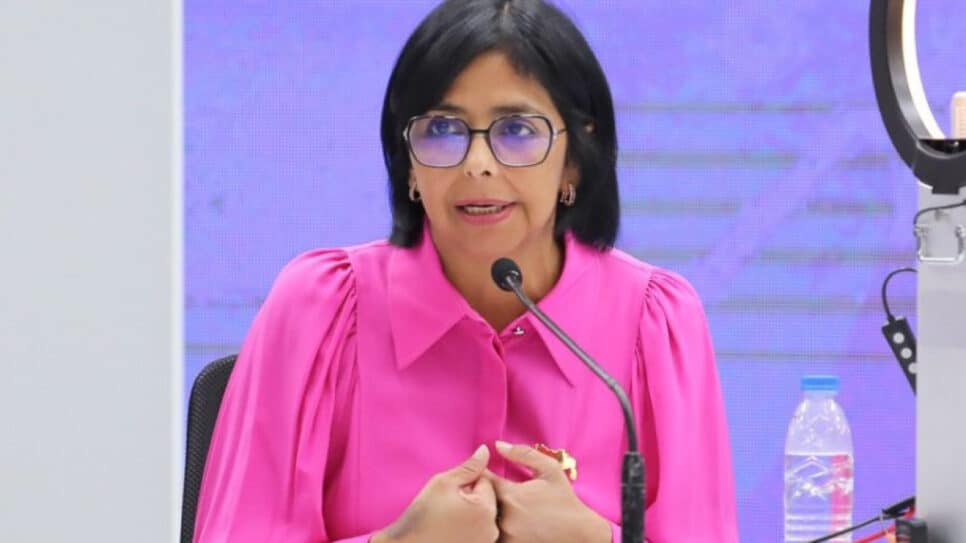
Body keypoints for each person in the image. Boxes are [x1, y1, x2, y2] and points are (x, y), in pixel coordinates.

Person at [192, 1, 738, 541]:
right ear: (408, 163)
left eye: (517, 130)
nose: (478, 163)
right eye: (442, 129)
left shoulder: (654, 324)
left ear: (575, 157)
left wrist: (597, 540)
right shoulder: (322, 311)